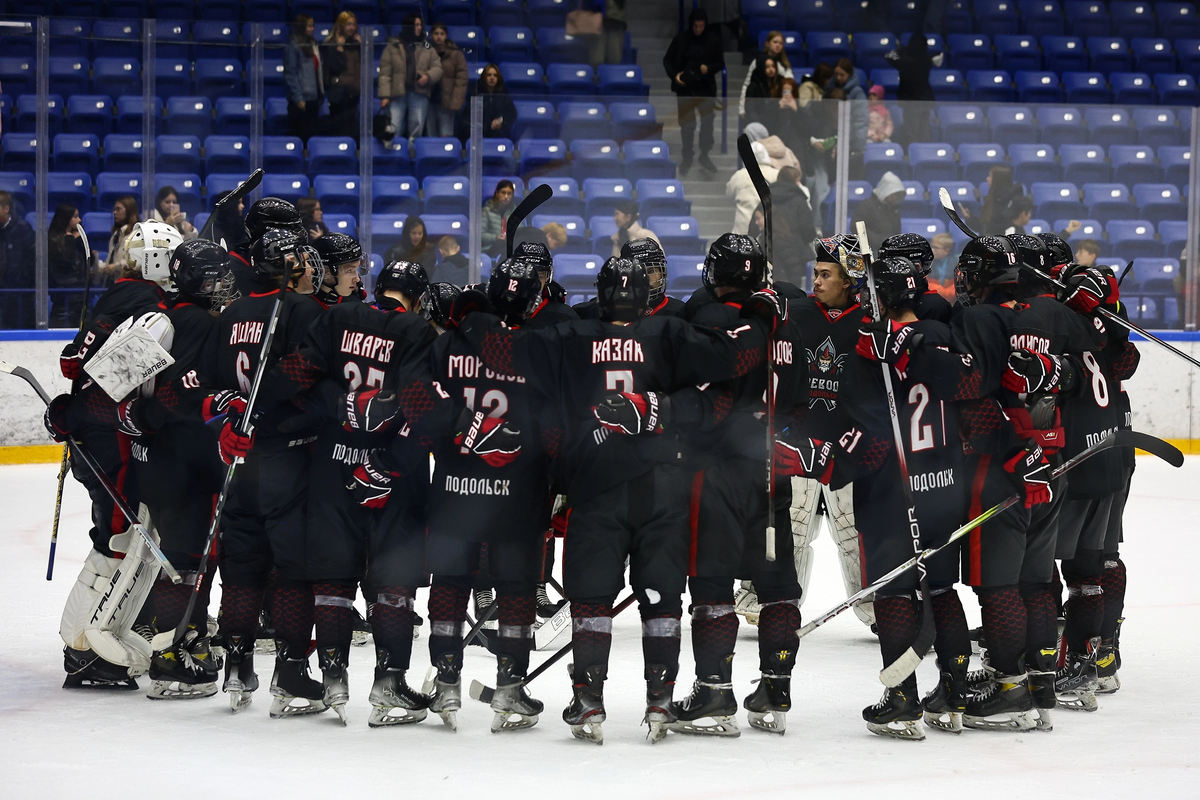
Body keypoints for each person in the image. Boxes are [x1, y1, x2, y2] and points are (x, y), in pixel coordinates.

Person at [436, 257, 778, 744]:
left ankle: (588, 699)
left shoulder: (571, 336)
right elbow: (735, 364)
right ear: (645, 296)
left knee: (591, 598)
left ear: (599, 293)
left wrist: (475, 312)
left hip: (595, 485)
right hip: (663, 485)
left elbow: (500, 352)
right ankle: (660, 700)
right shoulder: (670, 332)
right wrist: (761, 317)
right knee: (661, 597)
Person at [663, 8, 724, 176]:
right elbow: (667, 60)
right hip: (685, 87)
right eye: (696, 26)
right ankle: (687, 156)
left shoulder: (713, 40)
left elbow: (720, 62)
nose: (698, 29)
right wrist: (674, 76)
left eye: (701, 26)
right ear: (691, 25)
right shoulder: (681, 39)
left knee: (707, 122)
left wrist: (709, 68)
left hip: (705, 88)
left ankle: (704, 155)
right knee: (687, 124)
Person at [379, 15, 443, 144]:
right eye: (416, 25)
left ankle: (412, 155)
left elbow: (438, 68)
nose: (419, 28)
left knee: (416, 129)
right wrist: (385, 96)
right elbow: (385, 73)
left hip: (419, 92)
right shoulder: (393, 46)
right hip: (397, 93)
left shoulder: (426, 46)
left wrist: (428, 77)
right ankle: (395, 154)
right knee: (394, 127)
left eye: (420, 25)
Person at [885, 32, 935, 143]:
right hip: (926, 100)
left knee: (912, 133)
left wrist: (904, 48)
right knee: (924, 132)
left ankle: (913, 156)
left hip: (912, 102)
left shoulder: (906, 63)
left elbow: (889, 55)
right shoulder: (926, 60)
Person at [771, 166, 817, 286]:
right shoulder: (800, 201)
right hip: (796, 252)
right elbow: (808, 229)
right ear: (794, 181)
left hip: (770, 249)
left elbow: (756, 225)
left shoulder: (766, 198)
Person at [284, 14, 324, 143]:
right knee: (301, 135)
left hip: (314, 97)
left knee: (312, 136)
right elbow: (291, 74)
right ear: (302, 27)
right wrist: (298, 98)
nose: (312, 29)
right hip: (301, 100)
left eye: (313, 26)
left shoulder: (313, 44)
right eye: (309, 26)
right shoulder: (293, 46)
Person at [322, 11, 362, 139]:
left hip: (353, 92)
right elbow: (335, 67)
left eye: (354, 24)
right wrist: (339, 48)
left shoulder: (355, 44)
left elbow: (361, 65)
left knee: (350, 126)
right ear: (340, 26)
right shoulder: (331, 44)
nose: (352, 27)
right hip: (339, 92)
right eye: (348, 24)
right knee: (339, 126)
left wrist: (361, 47)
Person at [48, 204, 89, 327]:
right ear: (66, 218)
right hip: (64, 296)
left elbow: (89, 260)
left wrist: (80, 240)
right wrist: (71, 240)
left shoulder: (77, 237)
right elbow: (67, 263)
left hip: (81, 295)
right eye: (75, 217)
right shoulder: (53, 240)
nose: (79, 220)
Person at [726, 140, 780, 235]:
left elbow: (729, 195)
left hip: (743, 228)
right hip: (770, 226)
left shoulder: (739, 176)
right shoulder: (777, 174)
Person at [0, 189, 36, 328]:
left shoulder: (22, 229)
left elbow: (32, 260)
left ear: (6, 209)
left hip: (20, 296)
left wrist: (30, 286)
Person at [826, 59, 867, 177]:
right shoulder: (829, 90)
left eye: (842, 75)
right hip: (831, 140)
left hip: (850, 142)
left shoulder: (857, 94)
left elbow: (860, 121)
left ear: (849, 75)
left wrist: (856, 147)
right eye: (836, 74)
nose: (838, 78)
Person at [739, 31, 794, 118]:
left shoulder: (785, 65)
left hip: (779, 106)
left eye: (781, 43)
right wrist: (742, 109)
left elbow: (789, 84)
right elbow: (747, 85)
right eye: (775, 42)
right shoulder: (757, 62)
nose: (778, 45)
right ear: (767, 44)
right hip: (761, 105)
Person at [429, 23, 467, 138]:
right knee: (430, 136)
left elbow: (462, 78)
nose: (439, 37)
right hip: (428, 100)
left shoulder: (455, 53)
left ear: (446, 36)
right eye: (436, 34)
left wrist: (455, 102)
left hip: (447, 101)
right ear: (431, 35)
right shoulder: (425, 51)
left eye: (442, 34)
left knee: (445, 136)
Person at [851, 171, 904, 243]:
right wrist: (880, 241)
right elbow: (857, 228)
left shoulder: (894, 209)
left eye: (896, 195)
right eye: (892, 194)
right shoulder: (866, 206)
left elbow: (896, 231)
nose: (894, 198)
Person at [101, 196, 139, 285]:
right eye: (114, 209)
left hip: (127, 283)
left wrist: (116, 267)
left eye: (118, 209)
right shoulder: (116, 234)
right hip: (114, 282)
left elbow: (136, 261)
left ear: (129, 210)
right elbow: (111, 258)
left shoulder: (136, 234)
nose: (114, 213)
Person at [475, 64, 517, 141]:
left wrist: (499, 121)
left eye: (495, 75)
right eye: (489, 75)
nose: (492, 78)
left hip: (499, 133)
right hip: (480, 132)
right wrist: (488, 125)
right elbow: (471, 115)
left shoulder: (503, 93)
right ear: (484, 77)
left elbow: (511, 113)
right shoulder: (475, 92)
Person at [743, 57, 783, 132]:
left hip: (777, 124)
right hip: (760, 125)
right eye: (767, 67)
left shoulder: (780, 83)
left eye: (773, 66)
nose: (771, 69)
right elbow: (750, 111)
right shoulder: (753, 87)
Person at [481, 181, 515, 258]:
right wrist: (496, 238)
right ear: (497, 193)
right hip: (490, 249)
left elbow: (521, 232)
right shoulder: (486, 211)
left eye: (509, 193)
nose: (506, 196)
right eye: (503, 193)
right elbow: (480, 235)